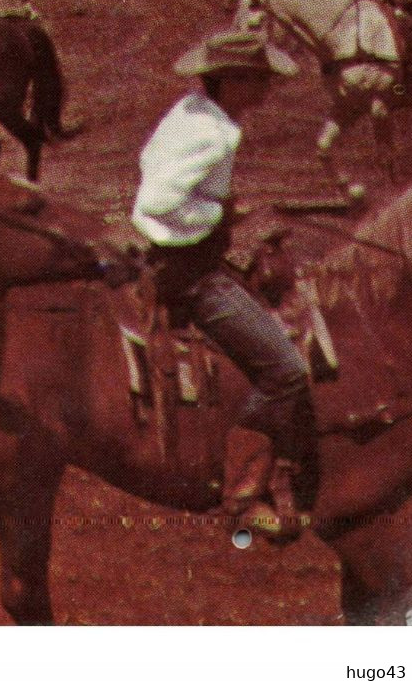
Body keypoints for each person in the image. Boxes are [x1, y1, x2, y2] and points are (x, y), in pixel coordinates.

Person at [132, 28, 316, 541]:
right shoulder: (216, 134)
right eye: (259, 80)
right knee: (285, 368)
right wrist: (219, 212)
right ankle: (242, 493)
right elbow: (157, 200)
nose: (267, 90)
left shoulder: (190, 109)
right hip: (190, 272)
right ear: (231, 80)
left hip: (171, 255)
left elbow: (151, 171)